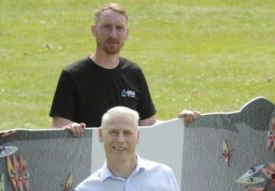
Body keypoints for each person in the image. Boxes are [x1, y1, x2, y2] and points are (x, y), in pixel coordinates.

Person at [51, 4, 198, 137]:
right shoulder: (73, 75)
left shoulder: (133, 73)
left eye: (119, 28)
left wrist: (180, 123)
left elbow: (149, 125)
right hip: (87, 161)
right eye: (107, 27)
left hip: (126, 163)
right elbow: (58, 128)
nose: (113, 34)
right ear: (94, 30)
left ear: (127, 33)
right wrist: (70, 128)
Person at [71, 107, 226, 191]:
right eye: (113, 132)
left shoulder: (163, 175)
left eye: (127, 133)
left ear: (138, 137)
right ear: (100, 135)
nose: (120, 139)